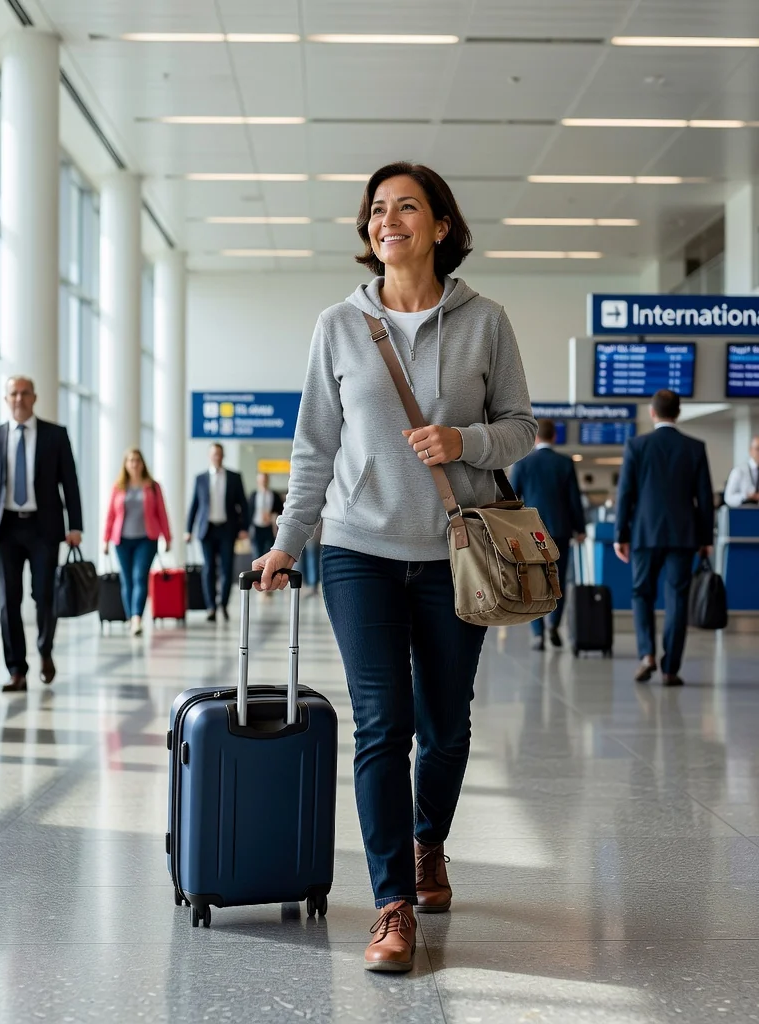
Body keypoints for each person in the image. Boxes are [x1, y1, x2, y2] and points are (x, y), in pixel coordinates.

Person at [251, 161, 536, 972]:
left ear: (441, 227)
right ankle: (392, 906)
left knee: (446, 726)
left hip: (456, 553)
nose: (387, 220)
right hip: (357, 551)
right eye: (377, 209)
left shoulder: (486, 323)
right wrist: (289, 542)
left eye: (406, 207)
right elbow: (314, 449)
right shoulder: (338, 326)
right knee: (383, 724)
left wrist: (464, 443)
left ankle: (427, 843)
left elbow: (521, 427)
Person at [0, 376, 84, 693]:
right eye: (13, 393)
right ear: (6, 399)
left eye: (25, 393)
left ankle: (44, 650)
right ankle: (17, 669)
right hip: (4, 529)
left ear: (35, 397)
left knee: (44, 596)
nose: (19, 398)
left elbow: (69, 483)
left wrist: (75, 526)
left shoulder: (55, 435)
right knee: (8, 601)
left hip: (43, 527)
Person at [615, 389, 715, 686]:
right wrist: (705, 537)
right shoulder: (694, 448)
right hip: (684, 536)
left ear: (652, 412)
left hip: (645, 533)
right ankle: (671, 668)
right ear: (679, 412)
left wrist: (621, 533)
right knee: (677, 599)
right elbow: (705, 498)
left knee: (641, 593)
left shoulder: (637, 445)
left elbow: (625, 494)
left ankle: (646, 654)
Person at [510, 418, 586, 651]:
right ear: (554, 437)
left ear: (535, 437)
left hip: (531, 534)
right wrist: (580, 529)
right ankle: (554, 624)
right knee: (558, 580)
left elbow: (512, 499)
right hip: (560, 531)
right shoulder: (564, 463)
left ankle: (538, 634)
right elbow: (574, 499)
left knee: (532, 582)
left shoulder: (523, 463)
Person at [103, 448, 173, 636]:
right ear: (126, 464)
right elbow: (110, 515)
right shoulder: (118, 487)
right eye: (130, 460)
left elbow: (162, 513)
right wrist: (105, 539)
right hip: (122, 540)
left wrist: (167, 537)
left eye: (137, 460)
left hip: (146, 539)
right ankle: (129, 616)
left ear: (142, 463)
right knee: (127, 580)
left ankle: (136, 618)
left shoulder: (152, 486)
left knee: (140, 577)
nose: (134, 464)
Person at [185, 443, 249, 622]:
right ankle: (211, 606)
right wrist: (188, 530)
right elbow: (194, 505)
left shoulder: (234, 477)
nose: (216, 457)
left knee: (227, 568)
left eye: (219, 454)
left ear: (223, 456)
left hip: (227, 530)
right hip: (207, 529)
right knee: (208, 569)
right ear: (209, 456)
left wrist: (244, 527)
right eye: (214, 454)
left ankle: (224, 604)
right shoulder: (201, 478)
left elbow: (242, 505)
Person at [249, 473, 284, 559]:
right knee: (257, 553)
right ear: (258, 481)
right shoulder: (253, 495)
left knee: (270, 554)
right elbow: (249, 512)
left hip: (270, 528)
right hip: (257, 528)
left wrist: (272, 515)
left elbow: (281, 511)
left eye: (264, 480)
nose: (263, 482)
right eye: (261, 480)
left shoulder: (274, 495)